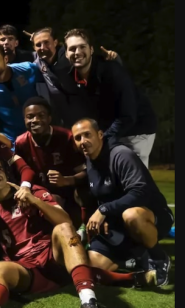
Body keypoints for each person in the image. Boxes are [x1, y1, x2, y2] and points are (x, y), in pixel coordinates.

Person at [0, 154, 145, 308]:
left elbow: (65, 220)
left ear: (7, 172)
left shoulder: (32, 191)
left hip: (54, 259)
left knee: (63, 229)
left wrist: (34, 200)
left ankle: (88, 303)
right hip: (29, 271)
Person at [72, 118, 173, 286]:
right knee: (91, 265)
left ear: (100, 135)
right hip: (118, 223)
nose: (83, 141)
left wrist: (104, 210)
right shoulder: (90, 160)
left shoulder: (120, 154)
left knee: (132, 215)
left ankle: (159, 258)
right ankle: (134, 258)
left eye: (87, 135)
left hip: (152, 216)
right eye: (78, 138)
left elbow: (140, 193)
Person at [57, 29, 158, 167]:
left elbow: (127, 116)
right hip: (109, 129)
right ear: (66, 54)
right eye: (72, 49)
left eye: (82, 47)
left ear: (91, 49)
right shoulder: (69, 76)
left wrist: (101, 139)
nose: (77, 52)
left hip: (136, 130)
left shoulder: (113, 72)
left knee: (134, 179)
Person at [14, 97, 87, 226]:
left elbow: (86, 173)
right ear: (24, 120)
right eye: (30, 116)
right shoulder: (21, 142)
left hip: (71, 190)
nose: (35, 120)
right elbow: (24, 171)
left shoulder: (66, 137)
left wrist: (66, 180)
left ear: (49, 118)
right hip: (42, 194)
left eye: (41, 116)